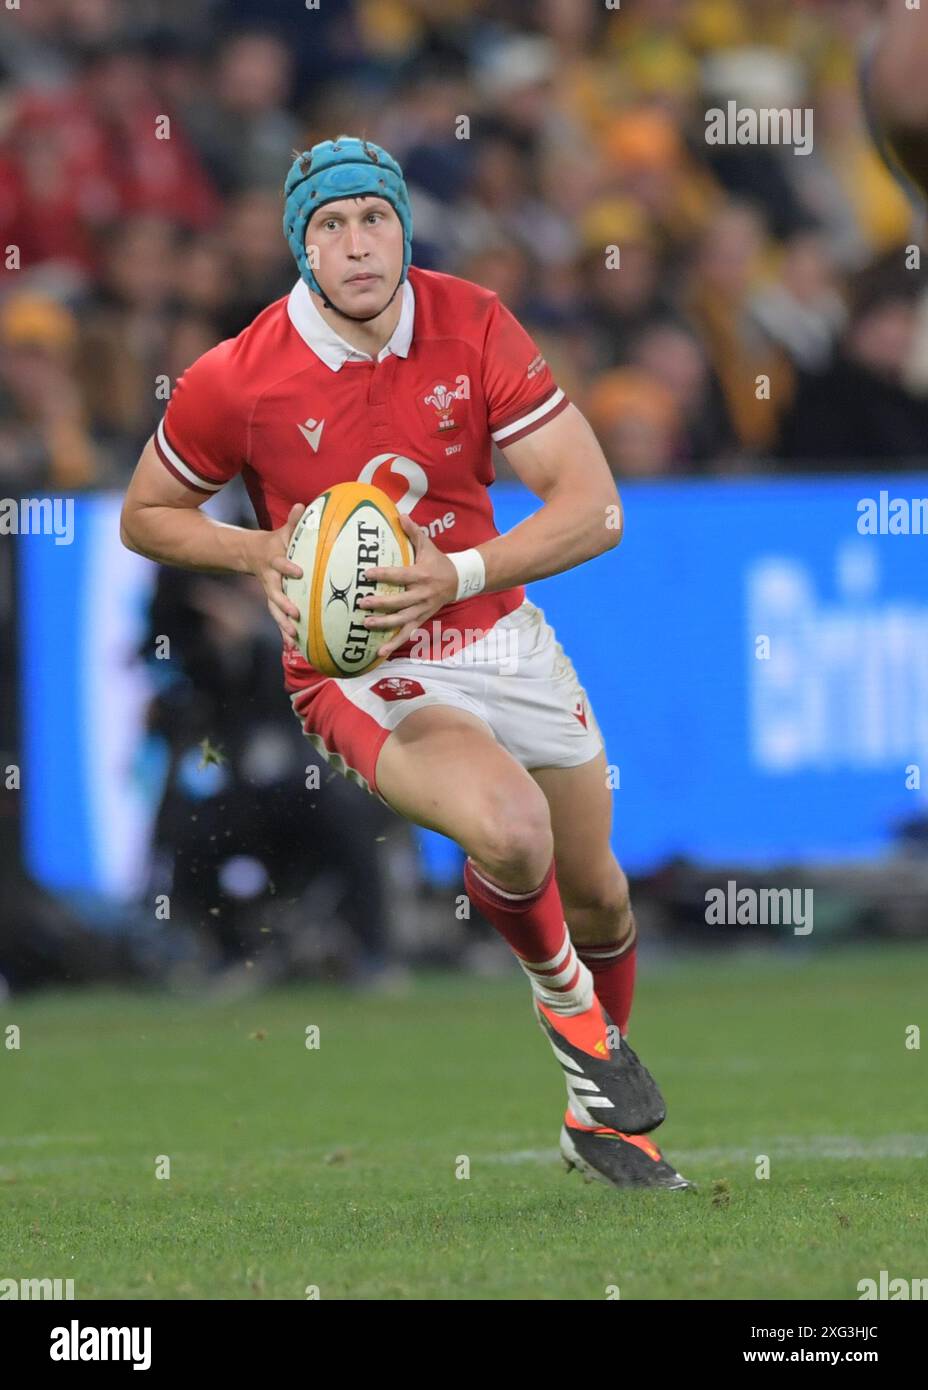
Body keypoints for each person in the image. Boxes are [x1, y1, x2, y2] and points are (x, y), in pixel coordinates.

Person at [120, 135, 691, 1190]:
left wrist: (460, 572)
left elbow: (593, 503)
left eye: (372, 218)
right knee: (509, 829)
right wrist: (262, 551)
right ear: (302, 249)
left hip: (496, 632)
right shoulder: (236, 376)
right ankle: (577, 1024)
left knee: (600, 891)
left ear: (402, 226)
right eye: (329, 227)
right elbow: (146, 516)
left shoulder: (472, 320)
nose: (355, 243)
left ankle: (597, 1117)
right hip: (358, 669)